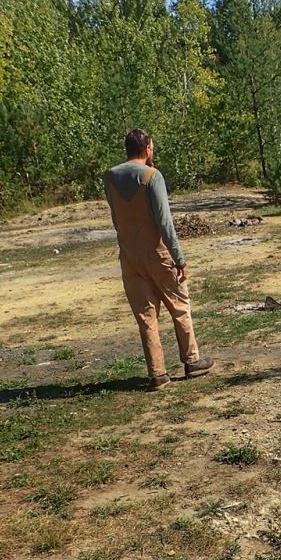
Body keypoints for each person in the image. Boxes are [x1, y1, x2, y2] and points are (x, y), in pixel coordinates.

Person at [104, 128, 212, 390]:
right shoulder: (153, 176)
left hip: (130, 256)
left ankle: (158, 374)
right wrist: (180, 259)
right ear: (148, 149)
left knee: (146, 316)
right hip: (157, 253)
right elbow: (165, 223)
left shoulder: (110, 177)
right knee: (180, 306)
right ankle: (192, 360)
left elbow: (116, 219)